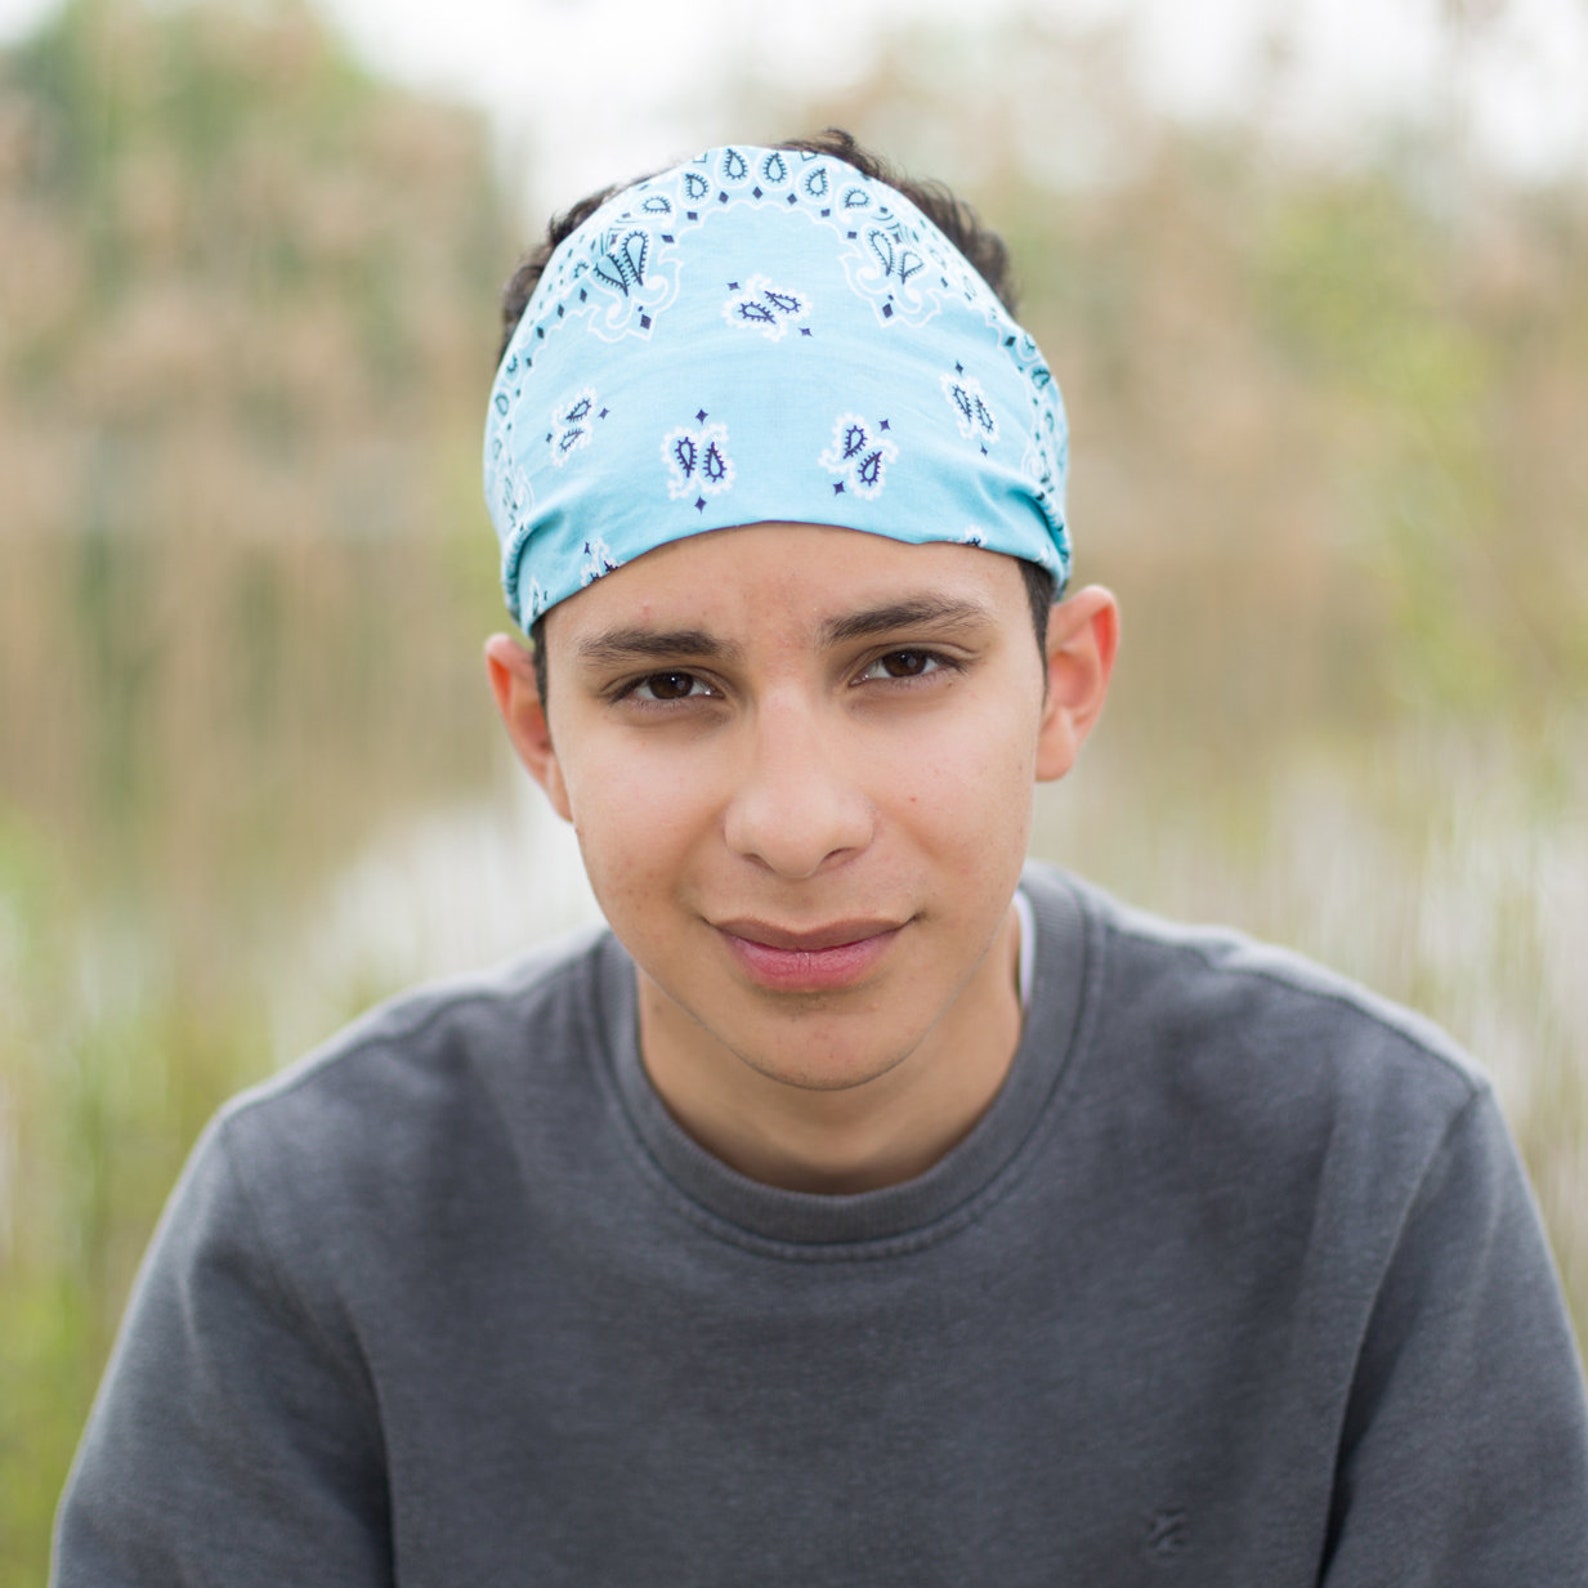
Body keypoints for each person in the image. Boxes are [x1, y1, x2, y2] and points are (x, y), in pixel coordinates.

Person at [54, 130, 1588, 1585]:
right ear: (537, 737)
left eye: (904, 665)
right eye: (668, 687)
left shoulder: (1366, 1184)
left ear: (1065, 682)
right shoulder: (316, 1241)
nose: (799, 820)